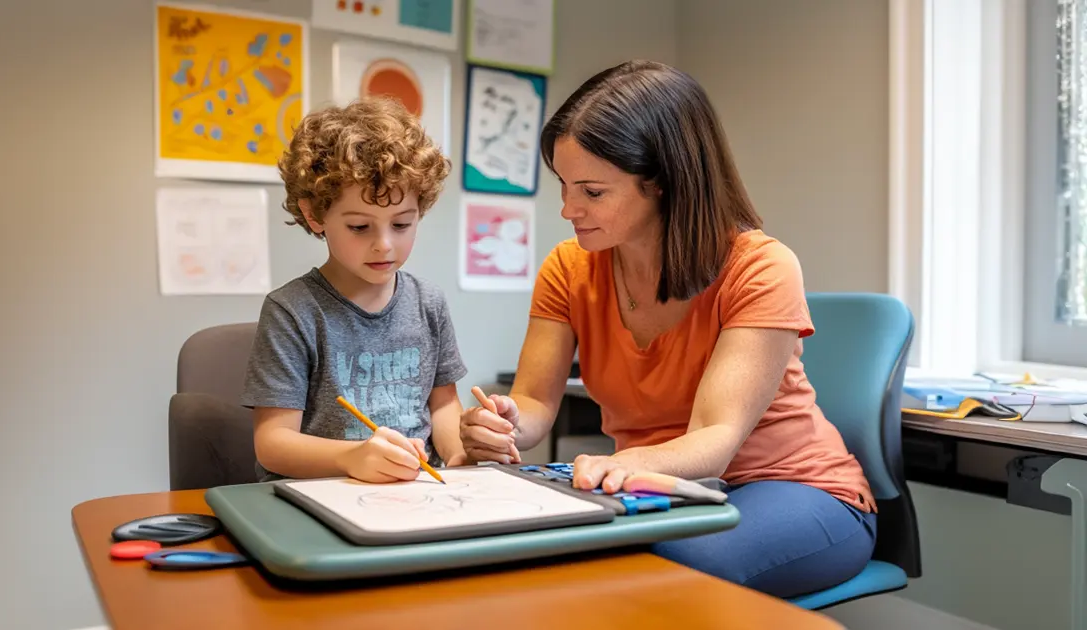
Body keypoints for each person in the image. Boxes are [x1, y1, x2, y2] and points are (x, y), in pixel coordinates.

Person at [458, 60, 877, 598]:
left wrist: (618, 464)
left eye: (591, 191)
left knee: (661, 571)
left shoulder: (762, 267)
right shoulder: (567, 269)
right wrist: (504, 427)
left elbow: (715, 440)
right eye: (564, 186)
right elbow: (534, 405)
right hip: (657, 488)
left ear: (660, 182)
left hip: (797, 488)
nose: (567, 209)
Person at [242, 97, 478, 484]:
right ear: (314, 214)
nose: (384, 244)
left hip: (411, 495)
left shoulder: (428, 303)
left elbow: (443, 406)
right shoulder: (292, 311)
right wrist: (353, 457)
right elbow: (273, 443)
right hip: (317, 497)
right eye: (359, 227)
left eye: (401, 225)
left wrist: (459, 456)